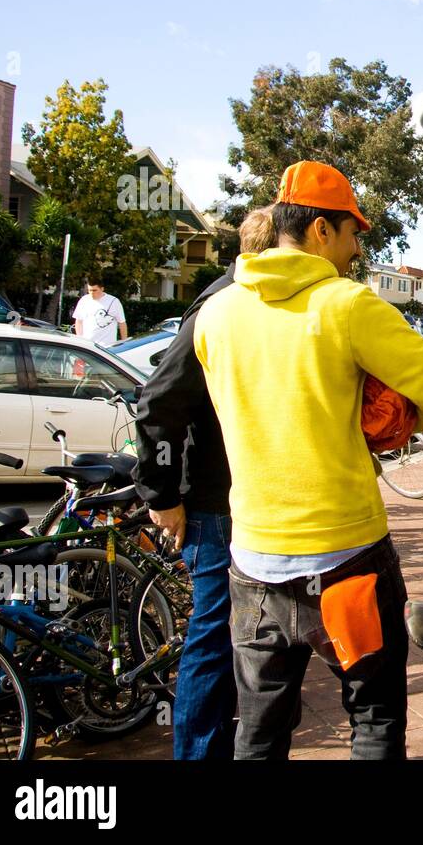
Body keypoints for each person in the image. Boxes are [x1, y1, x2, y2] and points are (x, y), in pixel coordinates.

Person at [193, 160, 423, 760]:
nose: (356, 246)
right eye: (352, 232)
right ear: (320, 230)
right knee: (372, 722)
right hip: (348, 562)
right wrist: (390, 426)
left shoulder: (215, 314)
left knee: (258, 733)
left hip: (255, 564)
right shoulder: (346, 304)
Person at [132, 205, 274, 760]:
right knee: (212, 639)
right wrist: (162, 496)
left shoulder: (247, 303)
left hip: (241, 498)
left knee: (236, 639)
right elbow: (159, 403)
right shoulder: (221, 304)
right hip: (214, 503)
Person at [72, 278, 127, 346]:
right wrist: (80, 340)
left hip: (107, 346)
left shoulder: (113, 301)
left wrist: (124, 343)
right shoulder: (84, 300)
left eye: (94, 290)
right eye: (89, 290)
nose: (92, 293)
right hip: (88, 345)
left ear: (102, 289)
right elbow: (79, 321)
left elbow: (122, 323)